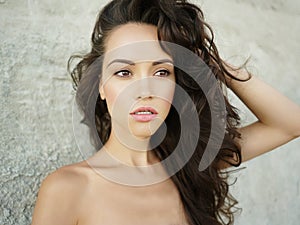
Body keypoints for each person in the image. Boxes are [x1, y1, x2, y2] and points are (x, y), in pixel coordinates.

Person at [31, 0, 300, 225]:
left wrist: (213, 62)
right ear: (101, 85)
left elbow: (290, 124)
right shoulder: (67, 189)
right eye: (124, 72)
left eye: (161, 72)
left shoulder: (190, 165)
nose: (145, 89)